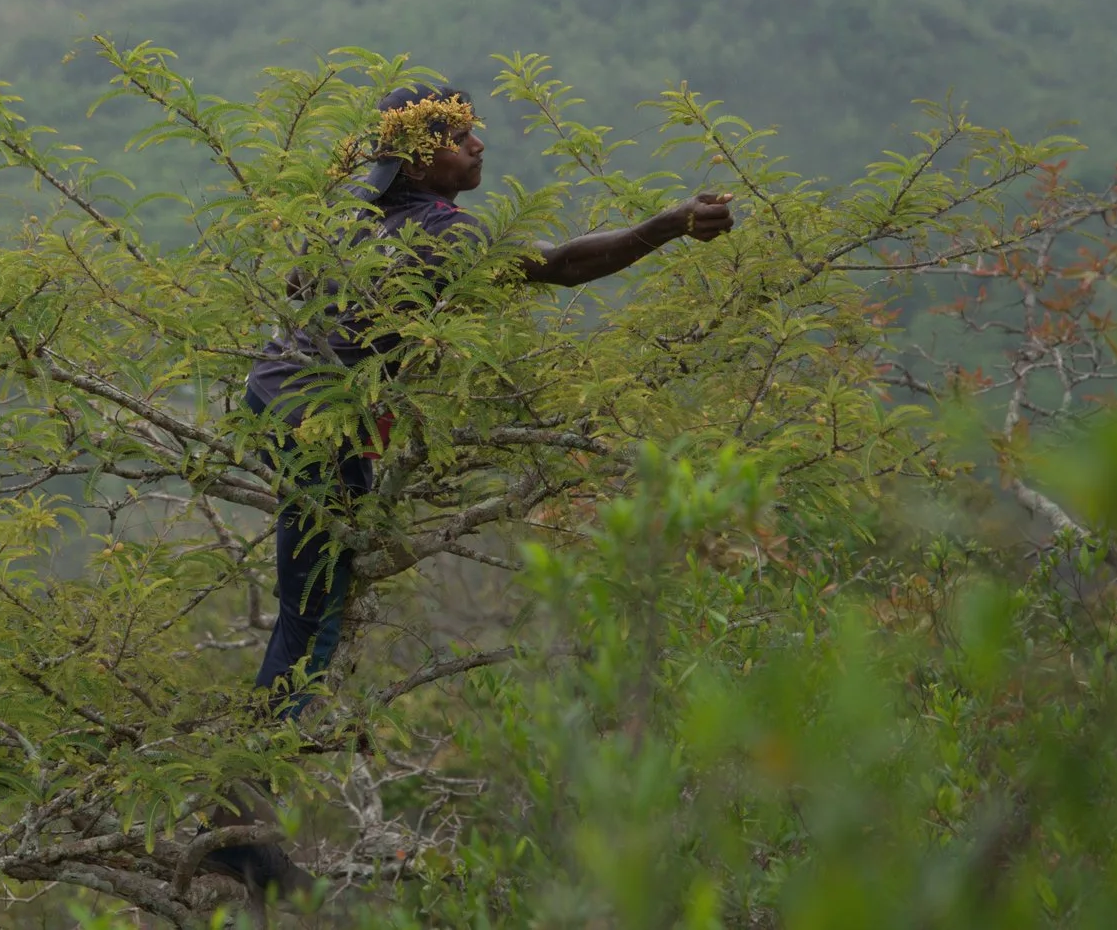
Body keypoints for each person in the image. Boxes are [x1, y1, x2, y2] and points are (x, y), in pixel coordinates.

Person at [206, 83, 736, 896]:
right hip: (322, 422)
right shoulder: (443, 235)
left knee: (307, 601)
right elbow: (561, 267)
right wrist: (665, 226)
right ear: (419, 158)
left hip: (277, 399)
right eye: (459, 137)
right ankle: (234, 823)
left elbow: (296, 285)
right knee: (311, 622)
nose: (479, 146)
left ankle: (237, 811)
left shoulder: (356, 218)